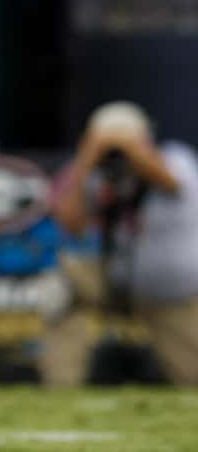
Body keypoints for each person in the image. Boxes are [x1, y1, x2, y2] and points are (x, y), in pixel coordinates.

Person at [44, 101, 198, 386]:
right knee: (61, 291)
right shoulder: (95, 172)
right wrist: (86, 160)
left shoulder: (177, 158)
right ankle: (61, 388)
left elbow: (170, 181)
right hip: (115, 280)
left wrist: (133, 150)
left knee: (191, 376)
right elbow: (72, 225)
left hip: (171, 288)